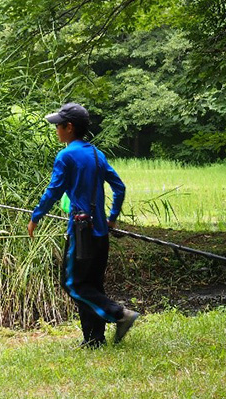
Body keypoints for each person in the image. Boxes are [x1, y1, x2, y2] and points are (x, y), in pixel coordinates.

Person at [27, 102, 139, 349]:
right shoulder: (97, 155)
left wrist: (36, 217)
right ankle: (93, 340)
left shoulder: (66, 155)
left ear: (69, 127)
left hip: (81, 233)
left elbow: (54, 191)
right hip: (100, 232)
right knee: (92, 284)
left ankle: (120, 314)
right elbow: (119, 187)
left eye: (58, 125)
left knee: (72, 284)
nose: (56, 129)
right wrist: (111, 218)